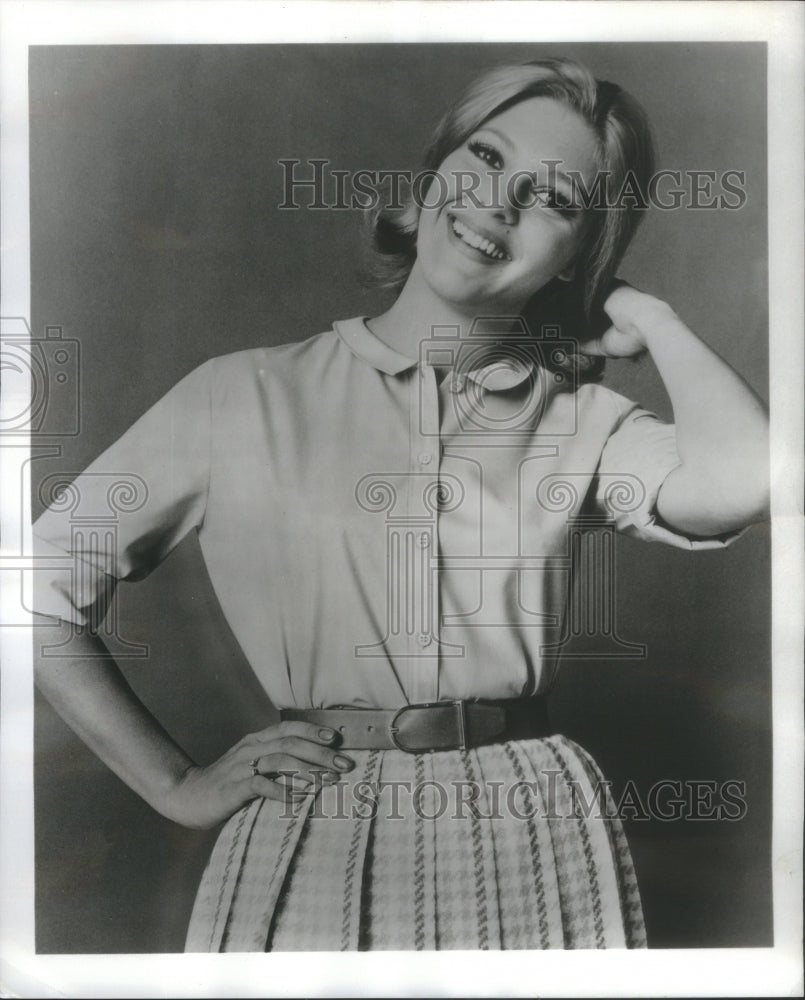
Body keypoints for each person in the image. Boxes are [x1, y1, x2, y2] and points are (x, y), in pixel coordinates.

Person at [31, 57, 769, 951]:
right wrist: (175, 787)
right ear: (428, 183)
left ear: (582, 253)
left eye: (556, 202)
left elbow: (742, 484)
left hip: (531, 826)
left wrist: (648, 316)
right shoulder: (237, 394)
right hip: (312, 822)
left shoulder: (580, 421)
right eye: (488, 159)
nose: (500, 202)